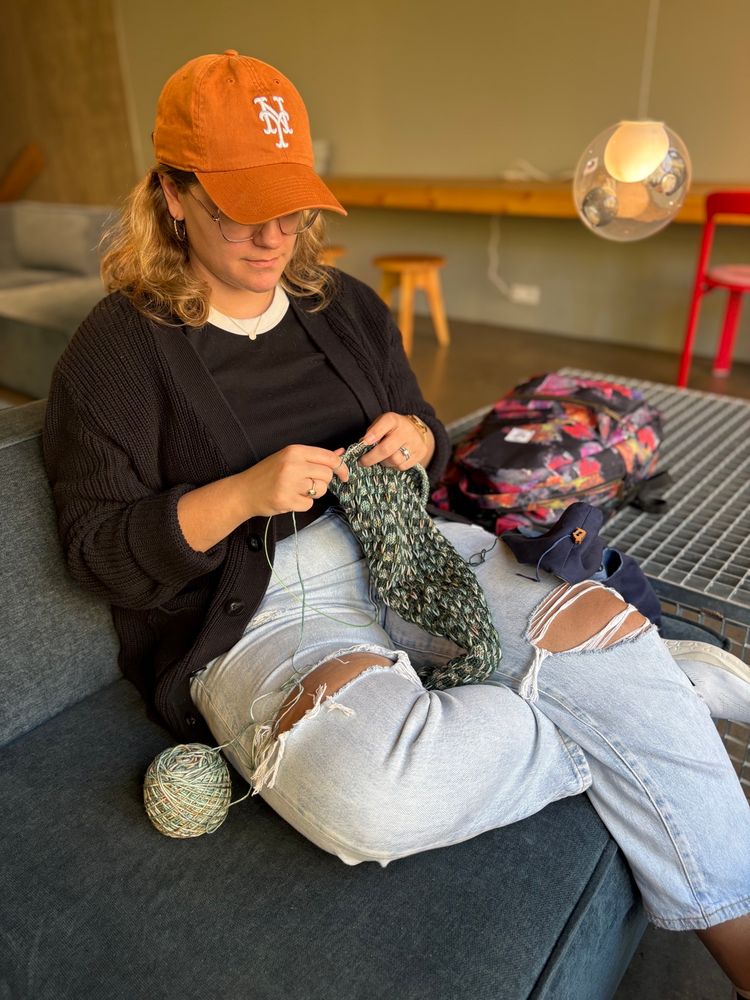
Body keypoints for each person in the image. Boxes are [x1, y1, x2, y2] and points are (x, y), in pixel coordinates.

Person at [42, 50, 750, 996]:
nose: (273, 236)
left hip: (411, 556)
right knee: (372, 794)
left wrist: (417, 440)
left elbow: (430, 447)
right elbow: (96, 557)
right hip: (257, 620)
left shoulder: (345, 309)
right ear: (171, 194)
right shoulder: (114, 353)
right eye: (238, 210)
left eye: (290, 206)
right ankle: (641, 688)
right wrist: (241, 495)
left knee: (587, 631)